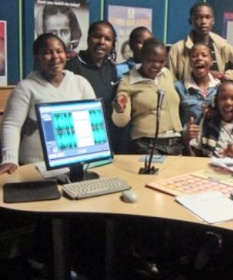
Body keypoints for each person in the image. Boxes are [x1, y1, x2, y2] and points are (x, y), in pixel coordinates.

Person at [0, 33, 95, 174]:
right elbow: (11, 125)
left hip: (74, 162)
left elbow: (93, 120)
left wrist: (93, 155)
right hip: (34, 165)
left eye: (59, 51)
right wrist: (9, 159)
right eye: (47, 53)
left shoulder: (80, 83)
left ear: (66, 54)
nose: (55, 57)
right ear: (37, 57)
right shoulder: (26, 87)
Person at [65, 20, 129, 154]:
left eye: (107, 39)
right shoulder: (72, 66)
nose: (102, 42)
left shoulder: (110, 67)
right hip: (83, 137)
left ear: (112, 44)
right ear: (88, 38)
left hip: (108, 136)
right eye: (97, 36)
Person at [112, 38, 183, 155]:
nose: (157, 65)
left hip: (176, 144)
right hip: (147, 145)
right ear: (142, 57)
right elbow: (120, 121)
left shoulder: (167, 74)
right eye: (152, 60)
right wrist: (120, 109)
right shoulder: (128, 79)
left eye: (161, 61)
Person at [167, 2, 233, 81]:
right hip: (188, 92)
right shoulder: (177, 49)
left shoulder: (221, 44)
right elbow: (169, 80)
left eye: (208, 17)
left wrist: (226, 76)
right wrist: (207, 75)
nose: (203, 22)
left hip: (218, 91)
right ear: (190, 21)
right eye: (198, 17)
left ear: (213, 21)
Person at [185, 80, 233, 157]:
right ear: (216, 101)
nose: (228, 103)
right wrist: (186, 140)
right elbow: (195, 159)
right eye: (223, 98)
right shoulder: (207, 122)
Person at [175, 43, 220, 127]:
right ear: (190, 62)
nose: (199, 58)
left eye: (204, 55)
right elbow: (174, 121)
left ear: (211, 61)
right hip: (190, 139)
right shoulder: (178, 88)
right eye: (194, 56)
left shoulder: (220, 88)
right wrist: (185, 134)